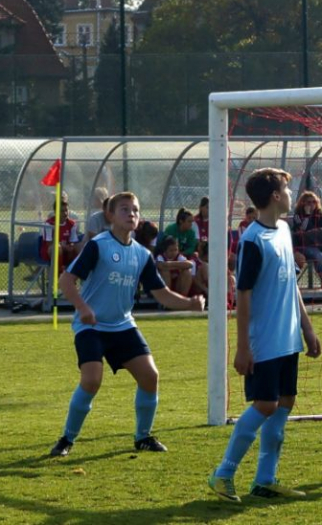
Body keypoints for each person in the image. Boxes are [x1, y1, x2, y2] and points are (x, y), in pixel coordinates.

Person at [49, 192, 206, 458]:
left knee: (150, 376)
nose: (131, 214)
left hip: (122, 325)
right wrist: (83, 308)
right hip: (92, 326)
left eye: (135, 209)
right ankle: (66, 439)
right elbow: (66, 281)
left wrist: (190, 303)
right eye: (124, 209)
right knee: (91, 380)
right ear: (110, 215)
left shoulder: (142, 254)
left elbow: (162, 294)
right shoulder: (98, 245)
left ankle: (143, 437)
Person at [208, 168, 321, 503]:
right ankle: (223, 473)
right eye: (287, 189)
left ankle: (265, 479)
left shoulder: (284, 229)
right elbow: (242, 295)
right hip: (264, 341)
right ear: (275, 196)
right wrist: (243, 347)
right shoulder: (252, 240)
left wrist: (307, 326)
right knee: (266, 404)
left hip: (288, 339)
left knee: (284, 403)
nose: (290, 194)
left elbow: (290, 286)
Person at [41, 198, 81, 274]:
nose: (65, 213)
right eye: (62, 211)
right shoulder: (49, 224)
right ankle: (59, 273)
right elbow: (49, 243)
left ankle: (73, 274)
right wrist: (63, 246)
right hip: (51, 251)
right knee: (57, 248)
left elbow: (73, 241)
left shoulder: (72, 224)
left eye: (66, 210)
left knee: (79, 247)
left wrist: (71, 246)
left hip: (65, 251)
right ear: (55, 212)